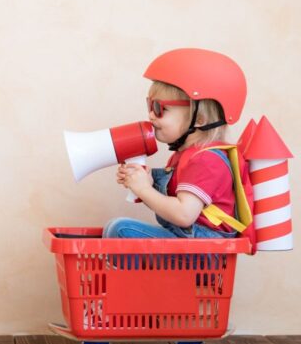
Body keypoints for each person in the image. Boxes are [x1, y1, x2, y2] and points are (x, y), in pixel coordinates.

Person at [105, 48, 250, 241]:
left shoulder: (206, 160)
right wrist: (145, 183)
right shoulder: (184, 156)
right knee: (112, 229)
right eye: (150, 105)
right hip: (189, 243)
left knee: (120, 230)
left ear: (199, 118)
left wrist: (144, 190)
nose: (150, 115)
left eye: (159, 108)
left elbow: (184, 214)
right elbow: (172, 209)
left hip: (206, 250)